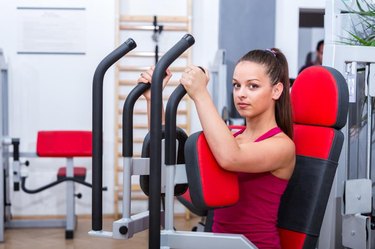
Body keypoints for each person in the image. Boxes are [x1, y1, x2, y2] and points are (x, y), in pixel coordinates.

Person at [139, 48, 295, 249]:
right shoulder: (231, 134)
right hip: (217, 242)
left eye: (253, 86)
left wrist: (200, 94)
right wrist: (154, 98)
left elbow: (231, 158)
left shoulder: (282, 146)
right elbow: (165, 156)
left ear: (276, 90)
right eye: (236, 85)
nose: (241, 94)